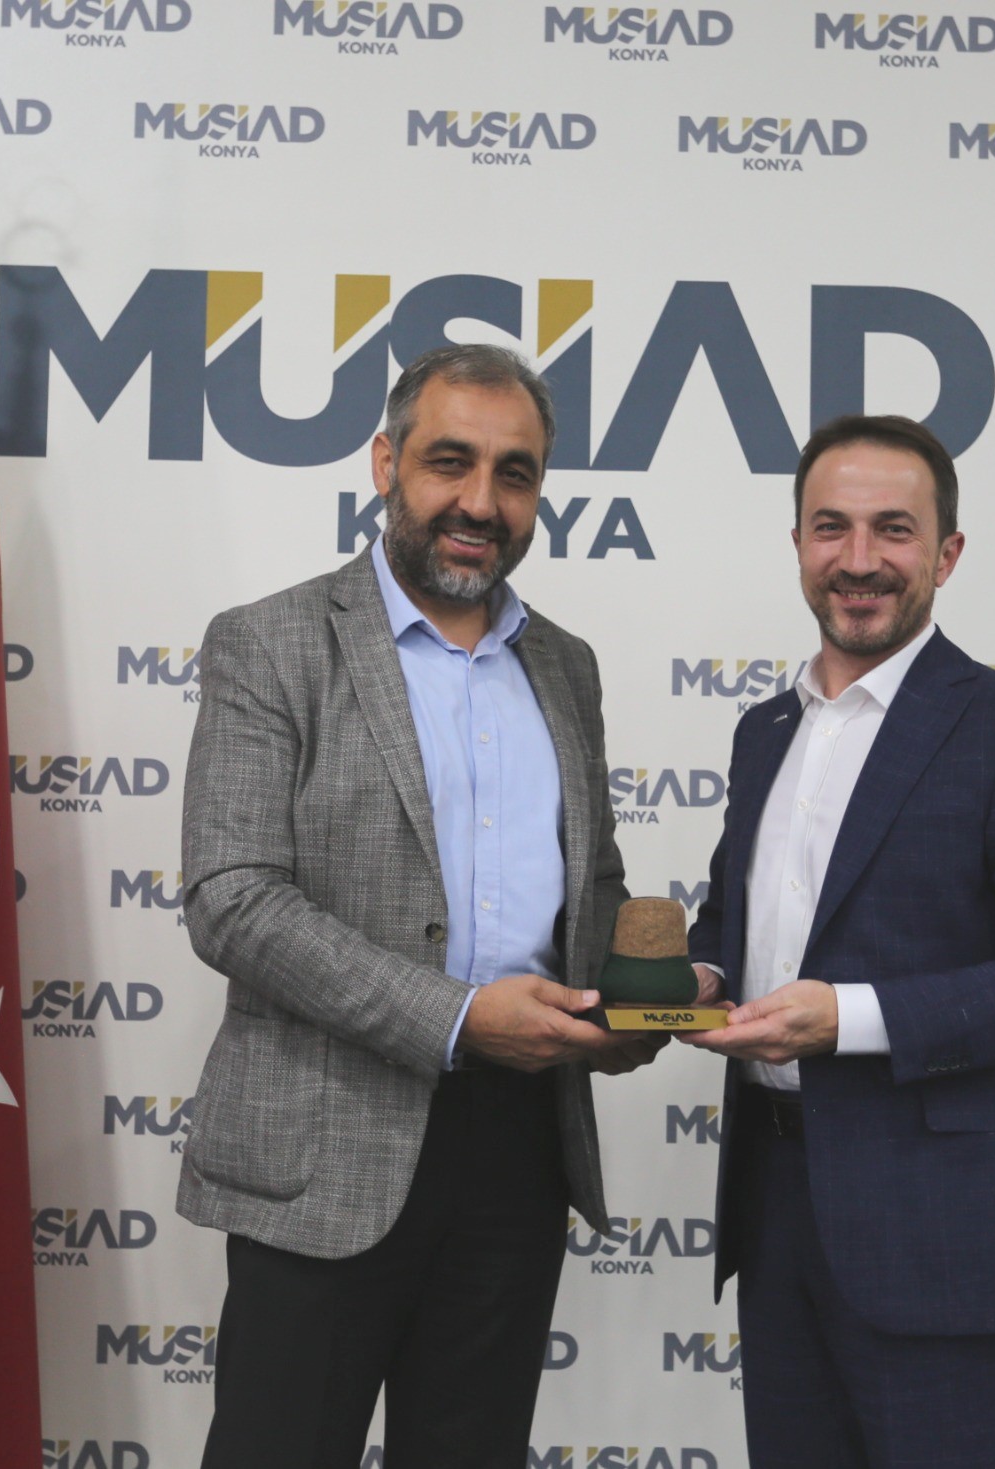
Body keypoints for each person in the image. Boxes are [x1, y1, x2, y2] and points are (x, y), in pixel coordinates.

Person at [177, 345, 652, 1469]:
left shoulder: (567, 666)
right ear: (386, 462)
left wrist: (641, 1000)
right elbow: (232, 897)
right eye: (451, 461)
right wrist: (457, 1015)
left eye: (515, 473)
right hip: (326, 1147)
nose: (481, 501)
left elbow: (591, 885)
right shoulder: (271, 639)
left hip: (521, 1147)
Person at [682, 414, 995, 1469]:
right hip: (776, 1215)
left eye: (893, 528)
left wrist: (846, 1018)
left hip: (945, 1234)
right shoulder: (763, 731)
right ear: (798, 542)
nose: (859, 558)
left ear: (946, 552)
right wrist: (694, 977)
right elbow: (736, 920)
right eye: (831, 527)